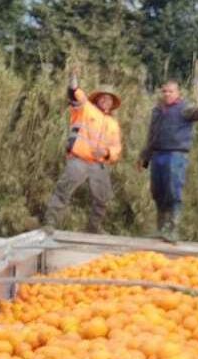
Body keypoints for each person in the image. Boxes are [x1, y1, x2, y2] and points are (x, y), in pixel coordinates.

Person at [44, 68, 122, 234]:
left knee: (103, 198)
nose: (106, 100)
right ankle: (50, 223)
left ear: (112, 103)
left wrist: (107, 152)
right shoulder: (85, 108)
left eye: (109, 99)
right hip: (79, 160)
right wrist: (73, 78)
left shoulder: (114, 124)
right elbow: (74, 93)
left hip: (99, 165)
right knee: (63, 191)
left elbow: (117, 148)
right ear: (98, 99)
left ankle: (94, 228)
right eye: (103, 97)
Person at [139, 80, 198, 242]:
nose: (167, 94)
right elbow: (152, 136)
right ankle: (161, 228)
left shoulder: (184, 108)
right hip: (158, 154)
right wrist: (145, 157)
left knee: (173, 191)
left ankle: (173, 229)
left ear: (178, 93)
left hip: (175, 154)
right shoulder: (157, 111)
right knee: (158, 191)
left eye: (171, 91)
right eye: (164, 91)